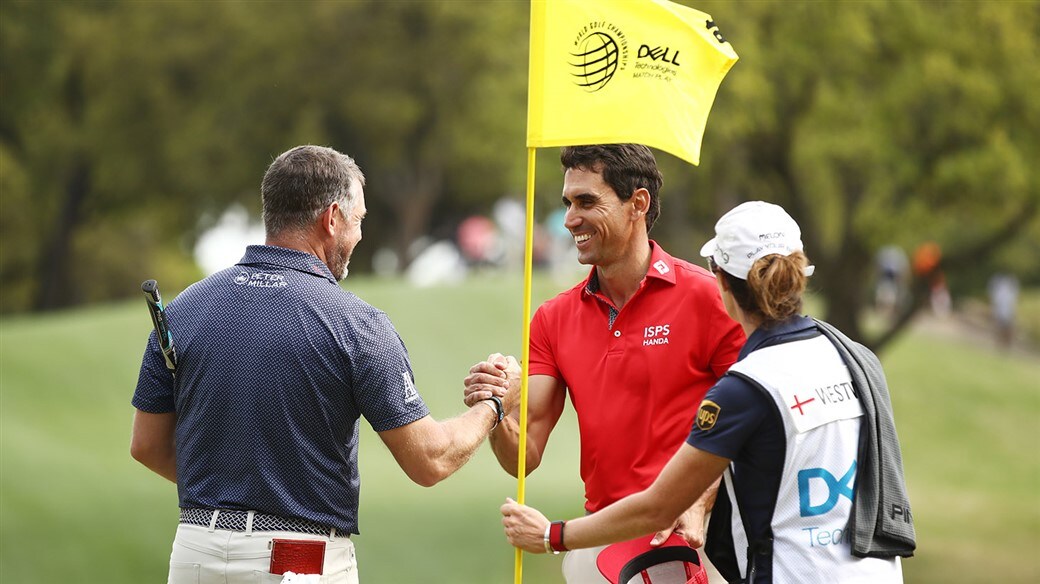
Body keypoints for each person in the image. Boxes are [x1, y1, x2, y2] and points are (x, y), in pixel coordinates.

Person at [130, 145, 518, 583]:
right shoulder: (357, 323)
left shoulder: (183, 309)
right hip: (298, 561)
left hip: (193, 552)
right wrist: (495, 404)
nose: (359, 235)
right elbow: (431, 460)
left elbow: (147, 445)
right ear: (332, 218)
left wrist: (229, 494)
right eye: (359, 220)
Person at [501, 201, 916, 583]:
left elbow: (658, 507)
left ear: (720, 279)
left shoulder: (745, 387)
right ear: (800, 270)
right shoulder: (856, 357)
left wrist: (553, 535)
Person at [465, 144, 745, 582]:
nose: (570, 219)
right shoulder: (552, 319)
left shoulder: (708, 297)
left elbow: (753, 421)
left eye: (587, 201)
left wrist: (699, 499)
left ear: (638, 203)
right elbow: (524, 453)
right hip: (604, 545)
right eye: (568, 203)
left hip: (695, 541)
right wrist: (496, 408)